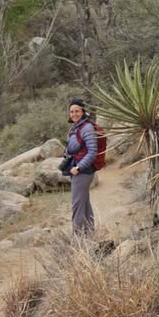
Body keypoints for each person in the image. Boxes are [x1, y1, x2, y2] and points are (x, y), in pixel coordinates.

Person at [64, 98, 98, 235]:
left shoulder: (87, 127)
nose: (74, 114)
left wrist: (78, 168)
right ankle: (90, 234)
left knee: (77, 206)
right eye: (71, 111)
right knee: (84, 204)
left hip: (82, 172)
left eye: (77, 111)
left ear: (83, 111)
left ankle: (77, 241)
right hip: (78, 170)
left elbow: (93, 151)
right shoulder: (76, 126)